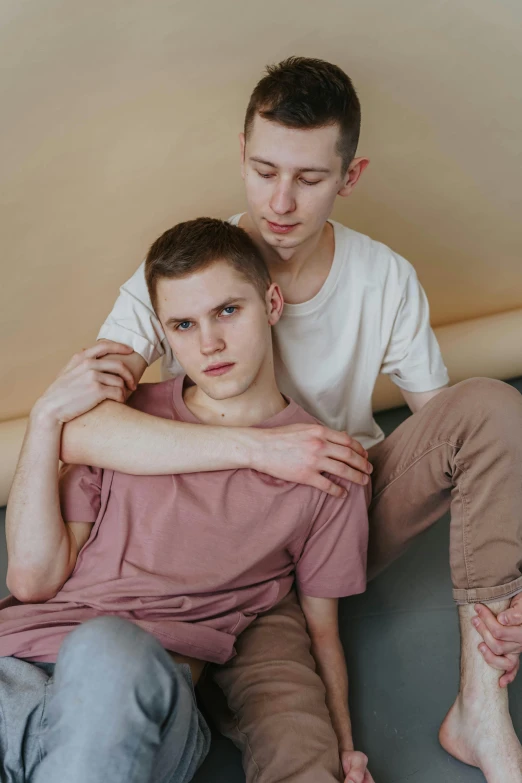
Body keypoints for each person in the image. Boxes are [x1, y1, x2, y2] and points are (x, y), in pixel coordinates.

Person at [59, 58, 522, 781]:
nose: (280, 201)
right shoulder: (196, 274)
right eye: (264, 170)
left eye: (309, 179)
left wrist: (506, 582)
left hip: (333, 517)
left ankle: (480, 714)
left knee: (494, 406)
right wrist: (264, 452)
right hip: (197, 535)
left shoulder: (384, 277)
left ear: (350, 175)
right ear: (241, 156)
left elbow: (456, 440)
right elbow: (80, 426)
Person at [0, 218, 374, 783]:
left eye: (228, 311)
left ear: (271, 302)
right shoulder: (118, 425)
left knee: (107, 648)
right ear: (164, 335)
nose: (209, 344)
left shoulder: (326, 466)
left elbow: (323, 629)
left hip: (137, 701)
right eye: (183, 323)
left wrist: (345, 748)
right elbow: (31, 582)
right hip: (14, 678)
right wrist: (47, 416)